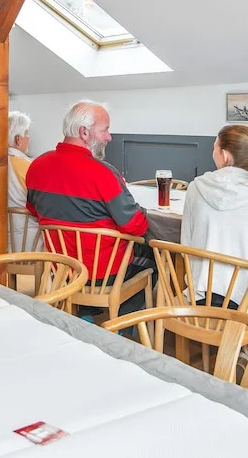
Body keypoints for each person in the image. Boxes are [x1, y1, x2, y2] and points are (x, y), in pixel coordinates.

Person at [25, 100, 153, 316]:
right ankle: (119, 326)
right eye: (105, 130)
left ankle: (85, 316)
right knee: (152, 258)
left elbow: (33, 210)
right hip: (102, 275)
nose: (109, 137)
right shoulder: (104, 173)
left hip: (62, 270)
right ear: (84, 132)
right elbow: (136, 226)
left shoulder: (36, 166)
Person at [180, 125, 248, 321]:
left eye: (215, 148)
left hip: (201, 295)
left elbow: (186, 248)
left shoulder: (196, 187)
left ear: (225, 155)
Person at [7, 111, 39, 252]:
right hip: (28, 237)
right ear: (18, 139)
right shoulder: (27, 166)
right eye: (27, 133)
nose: (29, 138)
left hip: (3, 232)